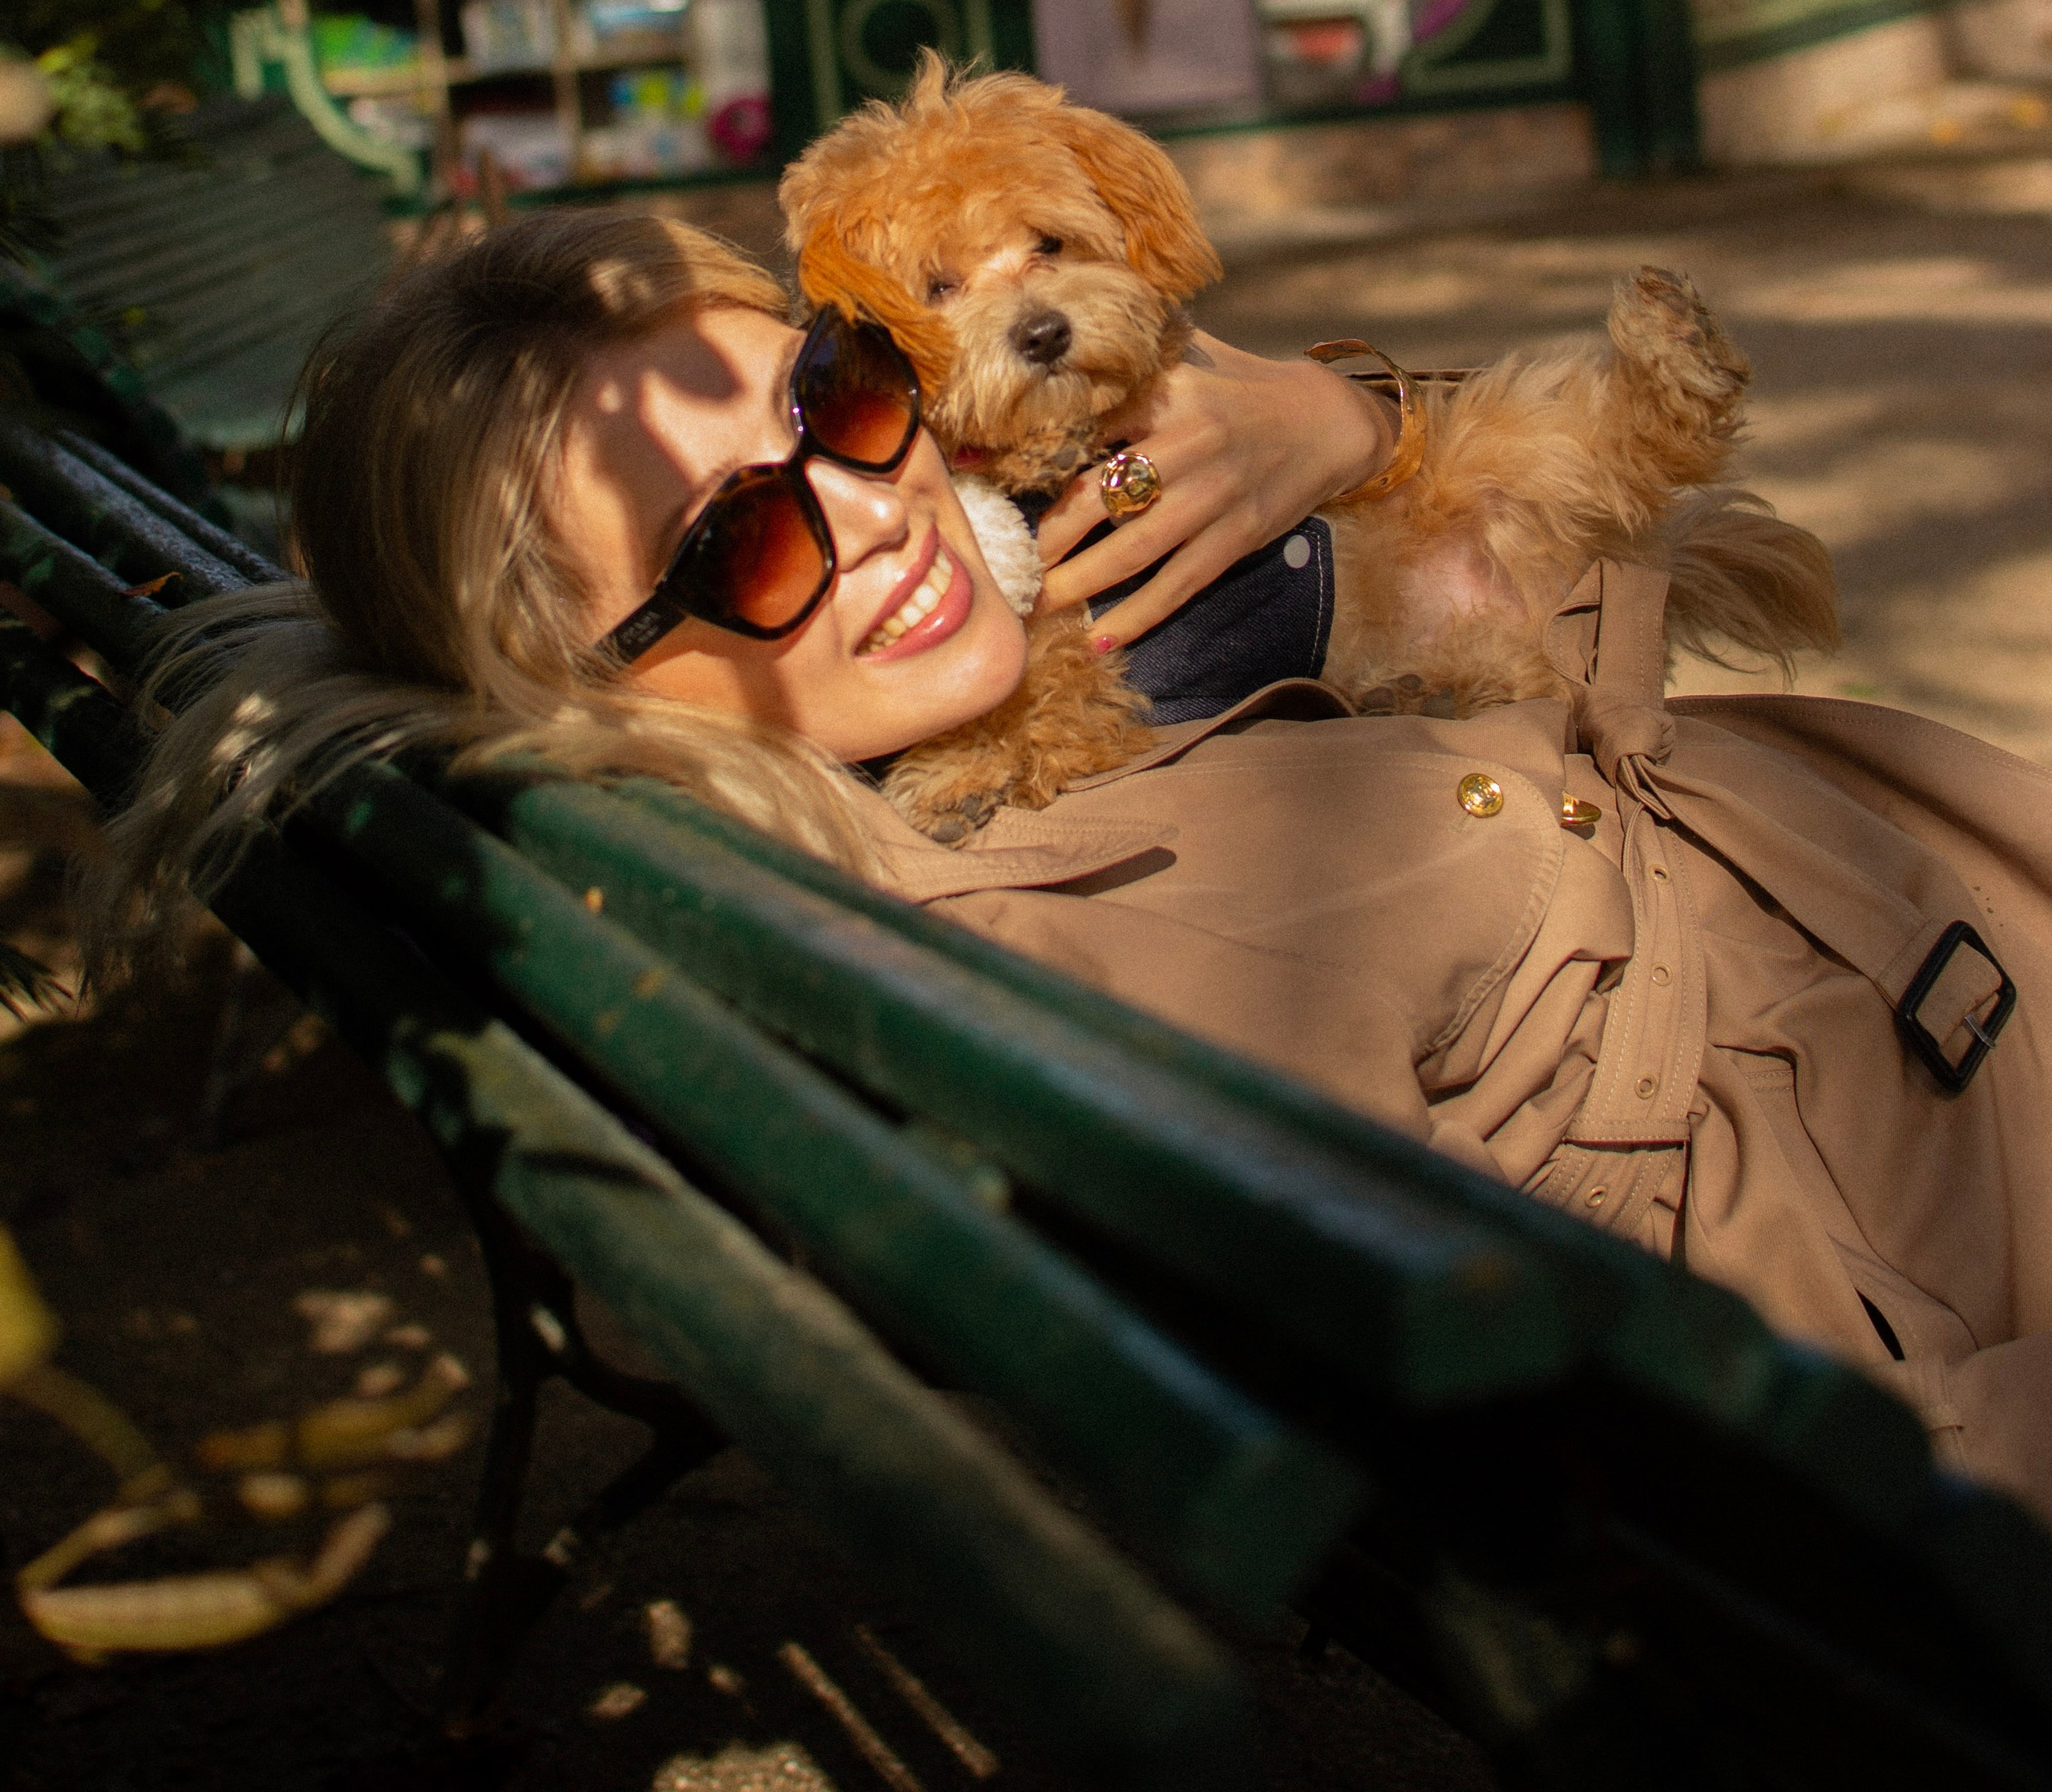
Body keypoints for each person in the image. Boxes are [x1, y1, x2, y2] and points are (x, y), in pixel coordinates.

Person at [105, 208, 2052, 1522]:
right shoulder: (1051, 963)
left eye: (840, 399)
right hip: (1929, 1211)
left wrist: (1340, 420)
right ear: (587, 694)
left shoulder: (981, 729)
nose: (877, 513)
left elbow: (1498, 568)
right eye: (739, 547)